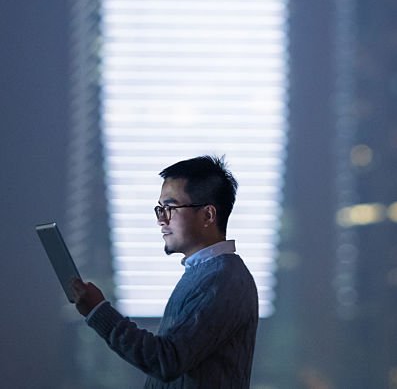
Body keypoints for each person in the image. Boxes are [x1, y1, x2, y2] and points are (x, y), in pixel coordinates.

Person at [70, 155, 259, 388]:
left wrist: (99, 311)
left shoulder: (223, 279)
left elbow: (167, 360)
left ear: (208, 215)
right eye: (160, 209)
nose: (161, 220)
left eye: (169, 208)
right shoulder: (208, 273)